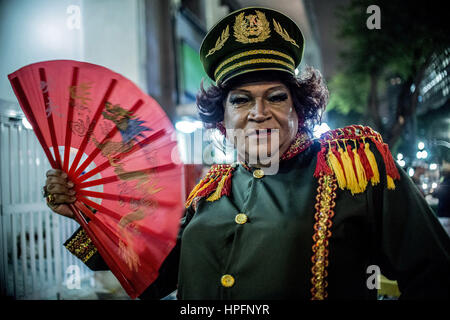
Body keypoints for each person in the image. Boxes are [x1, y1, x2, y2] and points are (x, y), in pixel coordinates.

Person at [44, 7, 450, 299]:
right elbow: (151, 275)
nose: (259, 113)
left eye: (276, 97)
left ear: (300, 109)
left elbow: (434, 274)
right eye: (240, 100)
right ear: (222, 118)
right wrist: (83, 212)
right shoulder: (208, 191)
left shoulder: (354, 165)